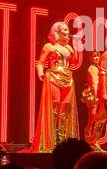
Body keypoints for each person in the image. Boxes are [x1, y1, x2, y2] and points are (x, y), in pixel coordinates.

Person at [31, 22, 79, 153]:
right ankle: (50, 142)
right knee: (55, 108)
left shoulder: (68, 48)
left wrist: (75, 47)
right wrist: (40, 73)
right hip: (53, 76)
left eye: (67, 30)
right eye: (64, 29)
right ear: (57, 31)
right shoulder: (50, 46)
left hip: (67, 78)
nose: (66, 31)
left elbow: (74, 62)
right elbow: (40, 63)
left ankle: (62, 142)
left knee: (65, 109)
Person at [81, 51, 102, 150]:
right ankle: (89, 141)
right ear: (91, 58)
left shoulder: (99, 68)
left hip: (98, 94)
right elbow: (94, 83)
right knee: (93, 117)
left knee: (96, 119)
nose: (97, 57)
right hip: (94, 95)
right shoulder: (92, 68)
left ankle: (94, 142)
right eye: (95, 56)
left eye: (98, 55)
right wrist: (97, 96)